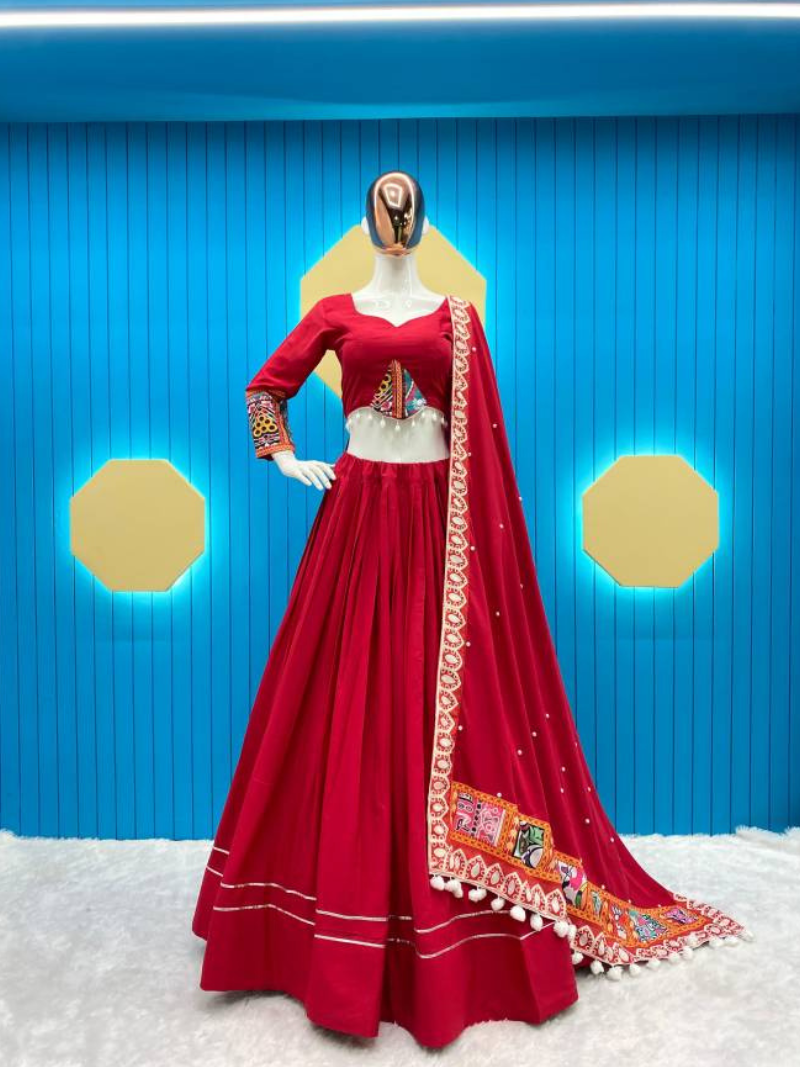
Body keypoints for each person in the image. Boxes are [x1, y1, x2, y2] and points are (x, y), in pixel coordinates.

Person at [192, 171, 751, 1048]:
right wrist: (286, 456)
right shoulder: (334, 312)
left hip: (438, 524)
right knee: (344, 697)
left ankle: (455, 922)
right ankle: (322, 925)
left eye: (407, 208)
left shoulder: (459, 317)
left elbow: (477, 437)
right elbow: (266, 389)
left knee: (440, 697)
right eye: (384, 208)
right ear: (366, 224)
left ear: (423, 222)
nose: (396, 219)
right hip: (358, 514)